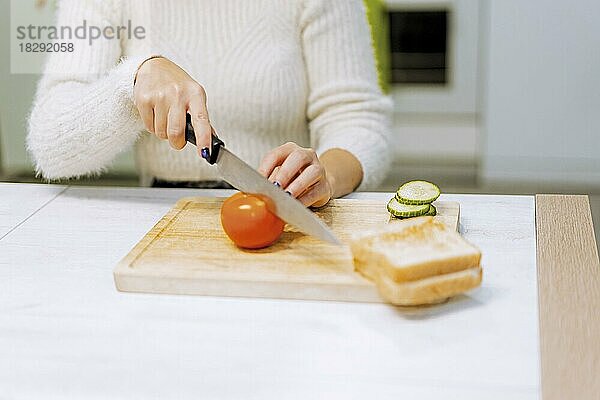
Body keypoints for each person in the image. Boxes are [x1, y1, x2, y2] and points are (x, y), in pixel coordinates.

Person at [28, 0, 391, 207]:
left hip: (287, 211)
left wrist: (325, 174)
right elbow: (49, 145)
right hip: (162, 217)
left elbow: (357, 116)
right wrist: (133, 81)